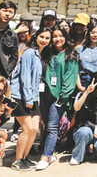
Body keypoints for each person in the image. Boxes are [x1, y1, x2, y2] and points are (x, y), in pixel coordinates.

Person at [36, 25, 79, 170]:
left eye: (60, 36)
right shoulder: (48, 52)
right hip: (45, 93)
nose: (57, 39)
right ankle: (51, 152)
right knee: (46, 125)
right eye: (54, 36)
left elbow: (70, 78)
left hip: (58, 96)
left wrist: (63, 98)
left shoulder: (70, 55)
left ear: (66, 38)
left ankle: (46, 156)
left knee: (52, 127)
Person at [9, 26, 51, 170]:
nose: (44, 40)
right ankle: (17, 160)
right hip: (21, 96)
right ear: (35, 37)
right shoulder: (29, 53)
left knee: (34, 130)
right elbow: (25, 78)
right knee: (27, 129)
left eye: (47, 38)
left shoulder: (39, 55)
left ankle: (24, 158)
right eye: (41, 37)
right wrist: (28, 100)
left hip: (32, 97)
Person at [70, 72, 97, 165]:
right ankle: (77, 156)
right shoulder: (82, 94)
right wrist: (86, 92)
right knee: (84, 132)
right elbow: (76, 108)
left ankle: (96, 151)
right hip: (84, 128)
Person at [76, 19, 97, 91]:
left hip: (96, 80)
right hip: (83, 79)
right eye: (93, 32)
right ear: (88, 33)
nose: (95, 35)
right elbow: (76, 69)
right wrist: (80, 87)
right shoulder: (80, 49)